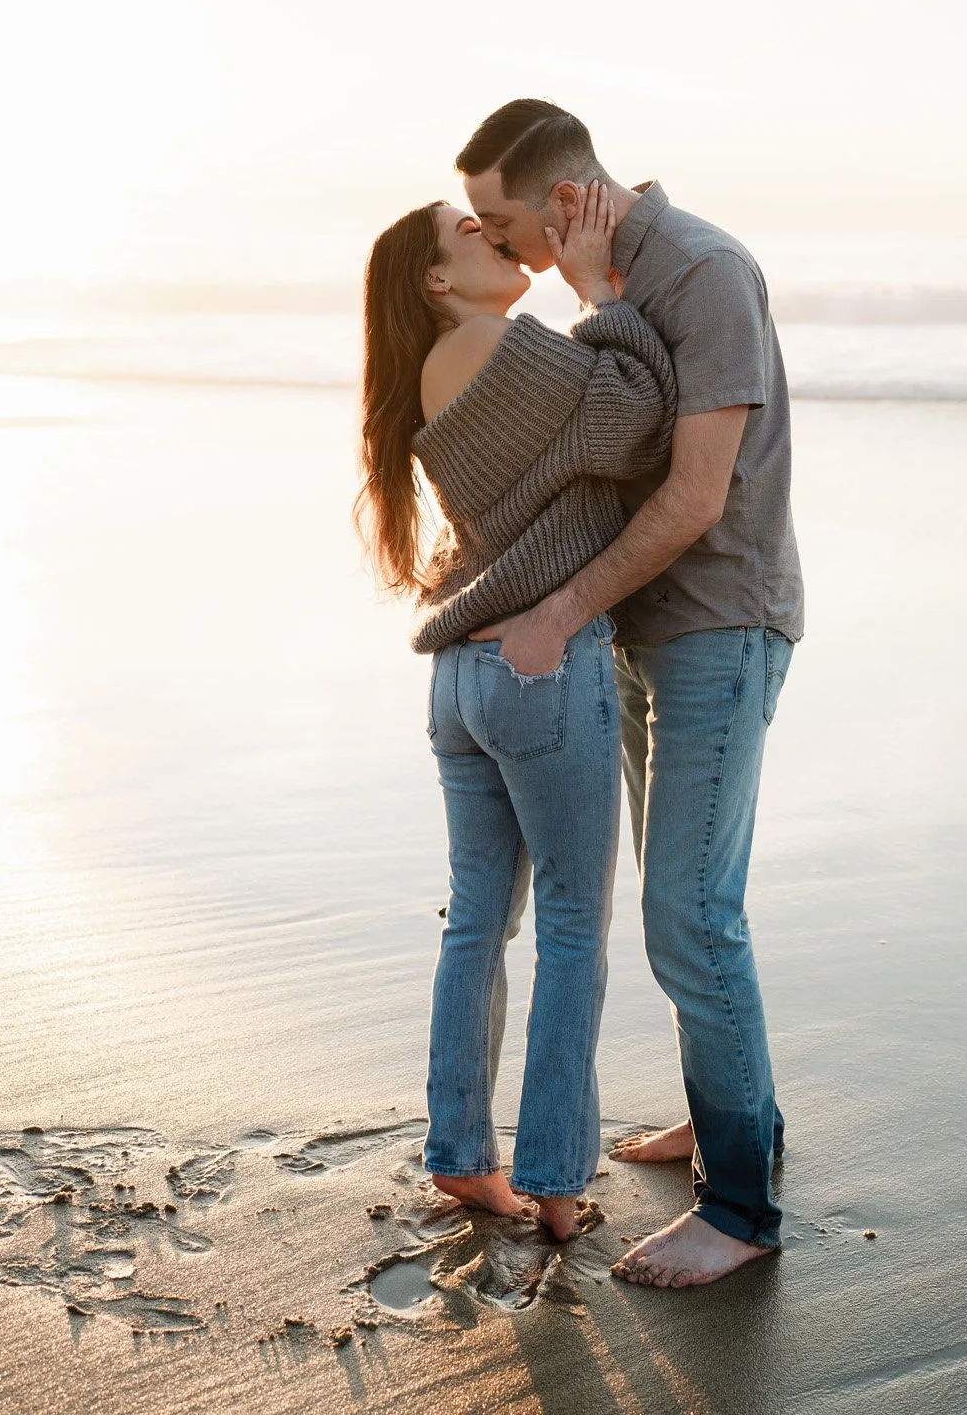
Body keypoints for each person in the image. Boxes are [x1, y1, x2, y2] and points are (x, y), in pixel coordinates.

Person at [458, 100, 804, 1289]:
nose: (493, 245)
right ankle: (722, 1119)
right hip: (648, 631)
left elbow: (697, 494)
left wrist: (556, 614)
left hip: (719, 623)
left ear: (562, 199)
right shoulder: (606, 278)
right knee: (682, 901)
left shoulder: (700, 270)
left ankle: (743, 1205)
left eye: (503, 222)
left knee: (693, 918)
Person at [357, 185, 676, 1245]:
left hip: (461, 673)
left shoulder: (433, 375)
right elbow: (637, 419)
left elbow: (574, 455)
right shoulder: (500, 337)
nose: (490, 234)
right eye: (467, 231)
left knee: (478, 926)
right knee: (574, 928)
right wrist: (597, 289)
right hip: (540, 664)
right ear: (437, 282)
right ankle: (550, 1179)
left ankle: (459, 1156)